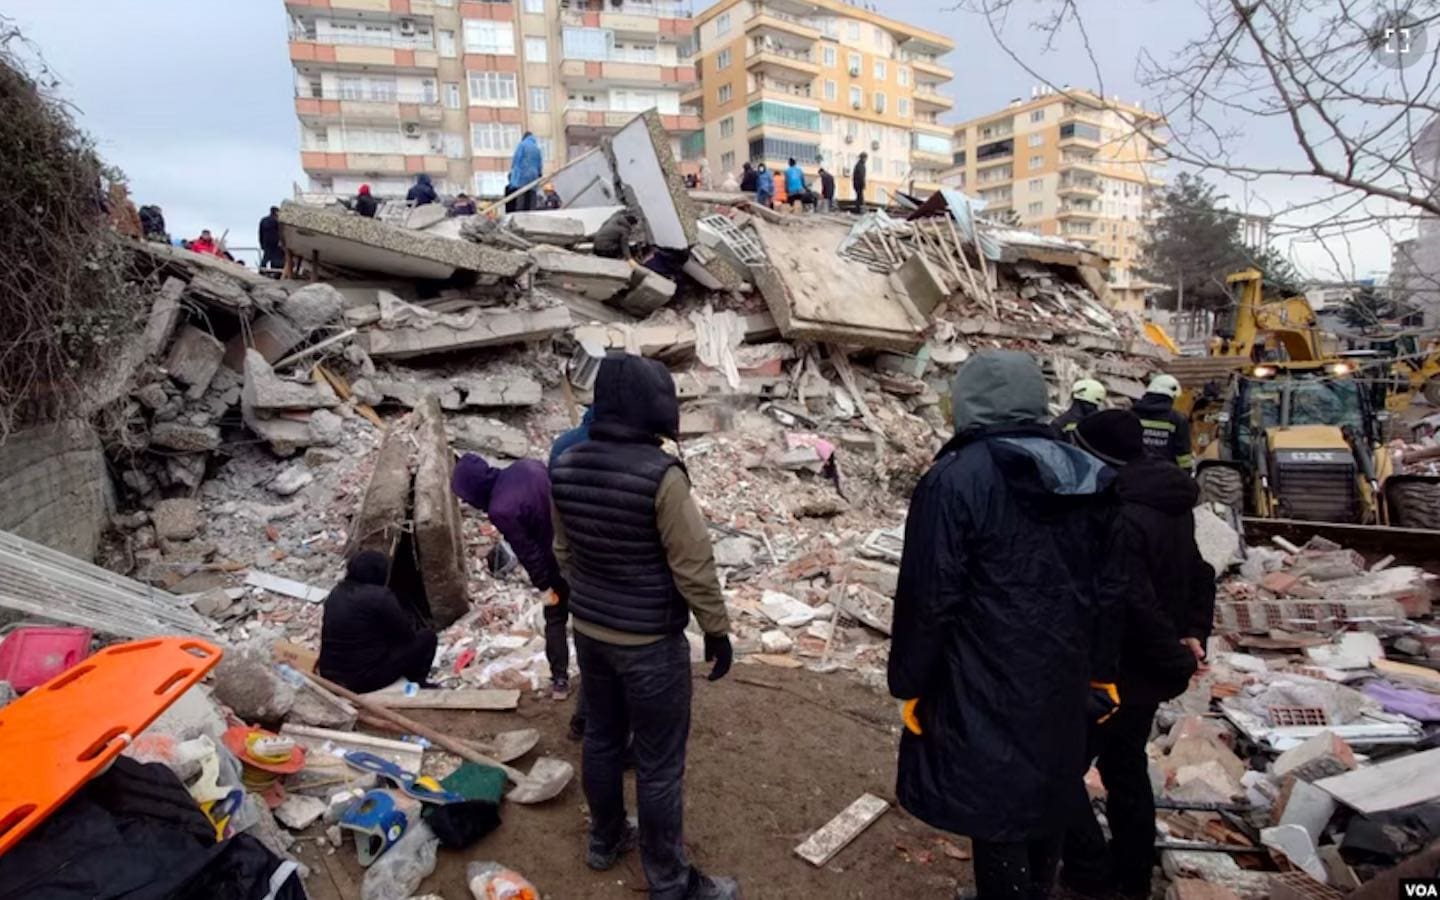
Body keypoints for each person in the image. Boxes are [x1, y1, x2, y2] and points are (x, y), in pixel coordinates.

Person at [888, 350, 1116, 900]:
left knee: (994, 799)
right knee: (1050, 785)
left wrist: (911, 682)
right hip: (1062, 669)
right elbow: (1111, 588)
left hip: (982, 673)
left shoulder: (954, 480)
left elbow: (928, 594)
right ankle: (1036, 888)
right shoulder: (1088, 473)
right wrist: (1102, 671)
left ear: (968, 405)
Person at [550, 354, 739, 900]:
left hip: (590, 631)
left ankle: (604, 840)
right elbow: (692, 564)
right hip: (649, 644)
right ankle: (671, 881)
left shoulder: (564, 463)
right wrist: (717, 630)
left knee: (604, 739)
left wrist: (592, 600)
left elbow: (565, 552)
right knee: (658, 763)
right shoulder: (661, 475)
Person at [1064, 410, 1213, 899]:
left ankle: (1092, 874)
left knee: (1059, 770)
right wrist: (1192, 631)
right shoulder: (1169, 502)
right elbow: (1199, 573)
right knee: (1125, 771)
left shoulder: (1122, 512)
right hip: (1147, 671)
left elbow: (1130, 598)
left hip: (1116, 668)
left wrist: (1173, 650)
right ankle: (1133, 877)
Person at [452, 455, 572, 700]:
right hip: (580, 547)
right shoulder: (528, 465)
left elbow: (528, 551)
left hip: (555, 565)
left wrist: (544, 586)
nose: (467, 501)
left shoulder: (501, 509)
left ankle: (560, 681)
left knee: (555, 617)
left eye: (466, 495)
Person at [317, 551, 438, 693]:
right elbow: (406, 635)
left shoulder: (336, 593)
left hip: (330, 674)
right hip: (362, 680)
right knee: (427, 638)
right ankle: (417, 683)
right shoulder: (380, 597)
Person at [1133, 374, 1193, 468]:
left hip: (1133, 473)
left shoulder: (1131, 414)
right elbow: (1183, 456)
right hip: (1165, 476)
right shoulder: (1177, 420)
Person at [509, 131, 544, 212]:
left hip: (524, 172)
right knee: (532, 193)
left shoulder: (522, 145)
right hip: (534, 174)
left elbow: (517, 159)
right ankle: (533, 210)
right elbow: (540, 163)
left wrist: (513, 172)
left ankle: (519, 211)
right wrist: (539, 173)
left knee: (521, 193)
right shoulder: (536, 148)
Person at [258, 206, 284, 271]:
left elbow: (260, 233)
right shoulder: (277, 221)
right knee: (276, 259)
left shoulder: (263, 220)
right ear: (276, 212)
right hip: (276, 243)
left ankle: (262, 270)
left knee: (266, 258)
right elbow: (281, 232)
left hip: (266, 242)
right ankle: (275, 272)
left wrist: (261, 243)